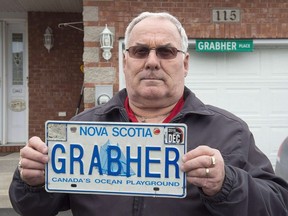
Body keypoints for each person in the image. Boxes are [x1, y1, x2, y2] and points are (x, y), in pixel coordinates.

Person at [9, 11, 288, 216]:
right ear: (125, 60)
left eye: (166, 51)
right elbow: (31, 208)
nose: (152, 62)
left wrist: (227, 184)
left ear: (185, 63)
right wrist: (30, 181)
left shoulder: (230, 132)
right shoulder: (80, 130)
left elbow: (278, 204)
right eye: (140, 50)